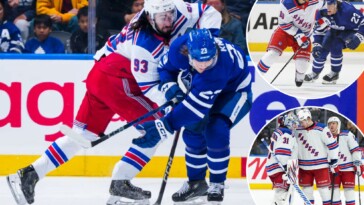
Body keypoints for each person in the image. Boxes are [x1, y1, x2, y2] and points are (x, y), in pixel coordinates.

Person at [6, 0, 221, 204]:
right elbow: (149, 87)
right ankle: (121, 182)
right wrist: (172, 96)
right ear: (149, 15)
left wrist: (208, 36)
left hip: (102, 73)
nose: (168, 21)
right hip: (118, 77)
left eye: (170, 15)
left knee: (83, 135)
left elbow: (210, 13)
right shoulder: (143, 43)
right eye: (162, 17)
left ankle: (28, 174)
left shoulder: (178, 9)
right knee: (157, 128)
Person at [132, 28, 252, 203]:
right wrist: (171, 89)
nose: (203, 66)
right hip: (205, 90)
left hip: (235, 92)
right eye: (198, 61)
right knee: (192, 130)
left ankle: (217, 184)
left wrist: (163, 126)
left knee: (215, 128)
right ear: (188, 53)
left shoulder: (217, 69)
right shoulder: (179, 49)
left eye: (209, 60)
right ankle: (196, 184)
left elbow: (194, 109)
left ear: (215, 52)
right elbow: (165, 68)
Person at [257, 0, 325, 87]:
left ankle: (299, 71)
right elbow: (283, 24)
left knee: (302, 67)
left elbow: (329, 6)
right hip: (285, 32)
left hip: (304, 35)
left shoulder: (316, 1)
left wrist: (325, 18)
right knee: (272, 55)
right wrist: (298, 34)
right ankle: (257, 76)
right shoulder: (286, 3)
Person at [304, 0, 364, 84]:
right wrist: (317, 44)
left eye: (330, 5)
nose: (327, 9)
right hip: (334, 30)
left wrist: (359, 36)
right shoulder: (320, 12)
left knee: (336, 46)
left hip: (350, 31)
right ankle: (315, 72)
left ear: (335, 4)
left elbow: (363, 22)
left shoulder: (348, 11)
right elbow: (319, 31)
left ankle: (334, 73)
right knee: (321, 50)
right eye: (326, 6)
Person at [294, 108, 339, 205]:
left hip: (321, 166)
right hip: (304, 167)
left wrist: (334, 160)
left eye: (303, 121)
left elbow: (333, 145)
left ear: (308, 118)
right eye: (300, 122)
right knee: (306, 192)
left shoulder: (322, 129)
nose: (301, 124)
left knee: (324, 191)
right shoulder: (297, 130)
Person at [327, 116, 364, 205]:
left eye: (333, 123)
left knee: (349, 194)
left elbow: (355, 150)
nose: (331, 126)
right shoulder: (326, 138)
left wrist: (357, 164)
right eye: (329, 124)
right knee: (334, 196)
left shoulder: (347, 135)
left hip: (348, 169)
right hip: (333, 170)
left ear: (338, 124)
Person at [265, 112, 298, 205]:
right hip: (279, 167)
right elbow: (282, 152)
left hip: (275, 166)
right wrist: (287, 167)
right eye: (293, 121)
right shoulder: (286, 133)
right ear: (287, 122)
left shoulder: (281, 131)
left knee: (285, 192)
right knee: (281, 195)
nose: (295, 123)